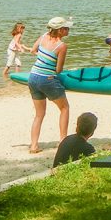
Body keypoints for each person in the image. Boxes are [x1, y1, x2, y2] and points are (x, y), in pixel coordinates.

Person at [28, 17, 73, 153]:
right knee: (65, 108)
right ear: (59, 30)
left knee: (39, 114)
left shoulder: (43, 37)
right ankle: (63, 142)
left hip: (33, 77)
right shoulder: (61, 46)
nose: (68, 29)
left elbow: (33, 50)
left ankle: (34, 146)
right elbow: (58, 70)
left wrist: (43, 59)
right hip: (47, 79)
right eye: (66, 28)